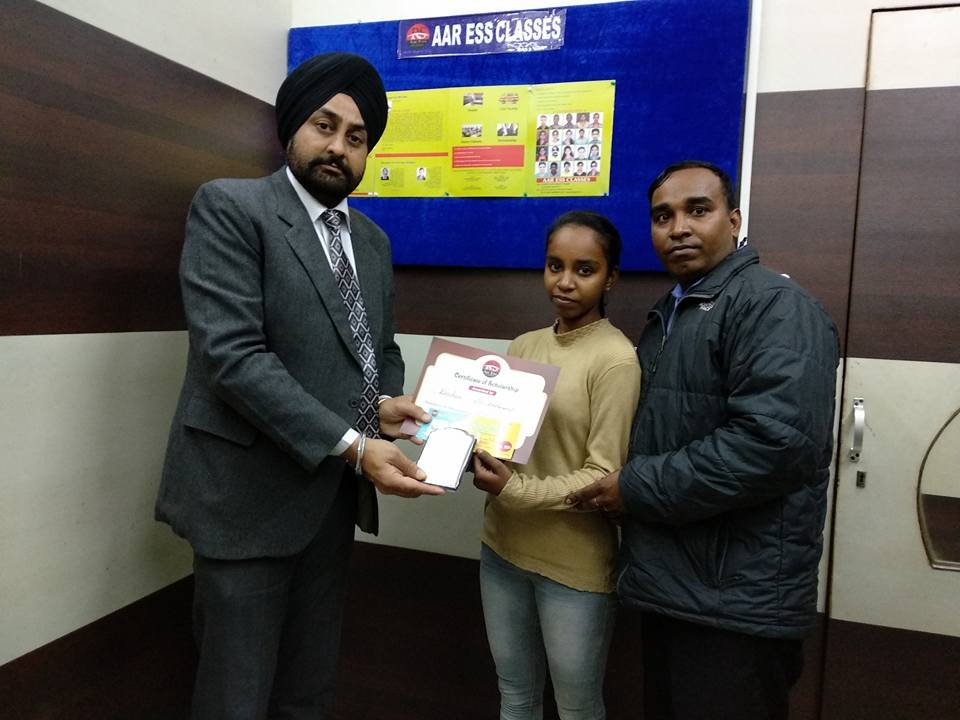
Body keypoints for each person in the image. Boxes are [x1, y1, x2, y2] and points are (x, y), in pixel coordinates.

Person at [156, 52, 445, 720]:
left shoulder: (371, 242)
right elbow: (234, 359)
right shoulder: (232, 208)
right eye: (325, 125)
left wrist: (382, 405)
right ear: (292, 127)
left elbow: (377, 349)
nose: (339, 147)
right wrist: (355, 444)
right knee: (235, 700)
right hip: (245, 504)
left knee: (307, 695)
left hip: (329, 506)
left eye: (357, 137)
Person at [569, 161, 839, 720]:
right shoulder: (674, 312)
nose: (679, 228)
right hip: (675, 587)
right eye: (662, 216)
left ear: (734, 221)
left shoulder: (774, 305)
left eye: (698, 210)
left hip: (735, 604)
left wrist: (634, 487)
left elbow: (774, 445)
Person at [473, 211, 641, 720]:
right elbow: (504, 444)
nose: (565, 282)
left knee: (577, 709)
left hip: (573, 566)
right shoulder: (525, 345)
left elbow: (601, 475)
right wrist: (459, 442)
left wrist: (514, 490)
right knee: (515, 698)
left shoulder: (616, 359)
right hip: (502, 549)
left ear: (610, 278)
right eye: (554, 266)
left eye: (584, 269)